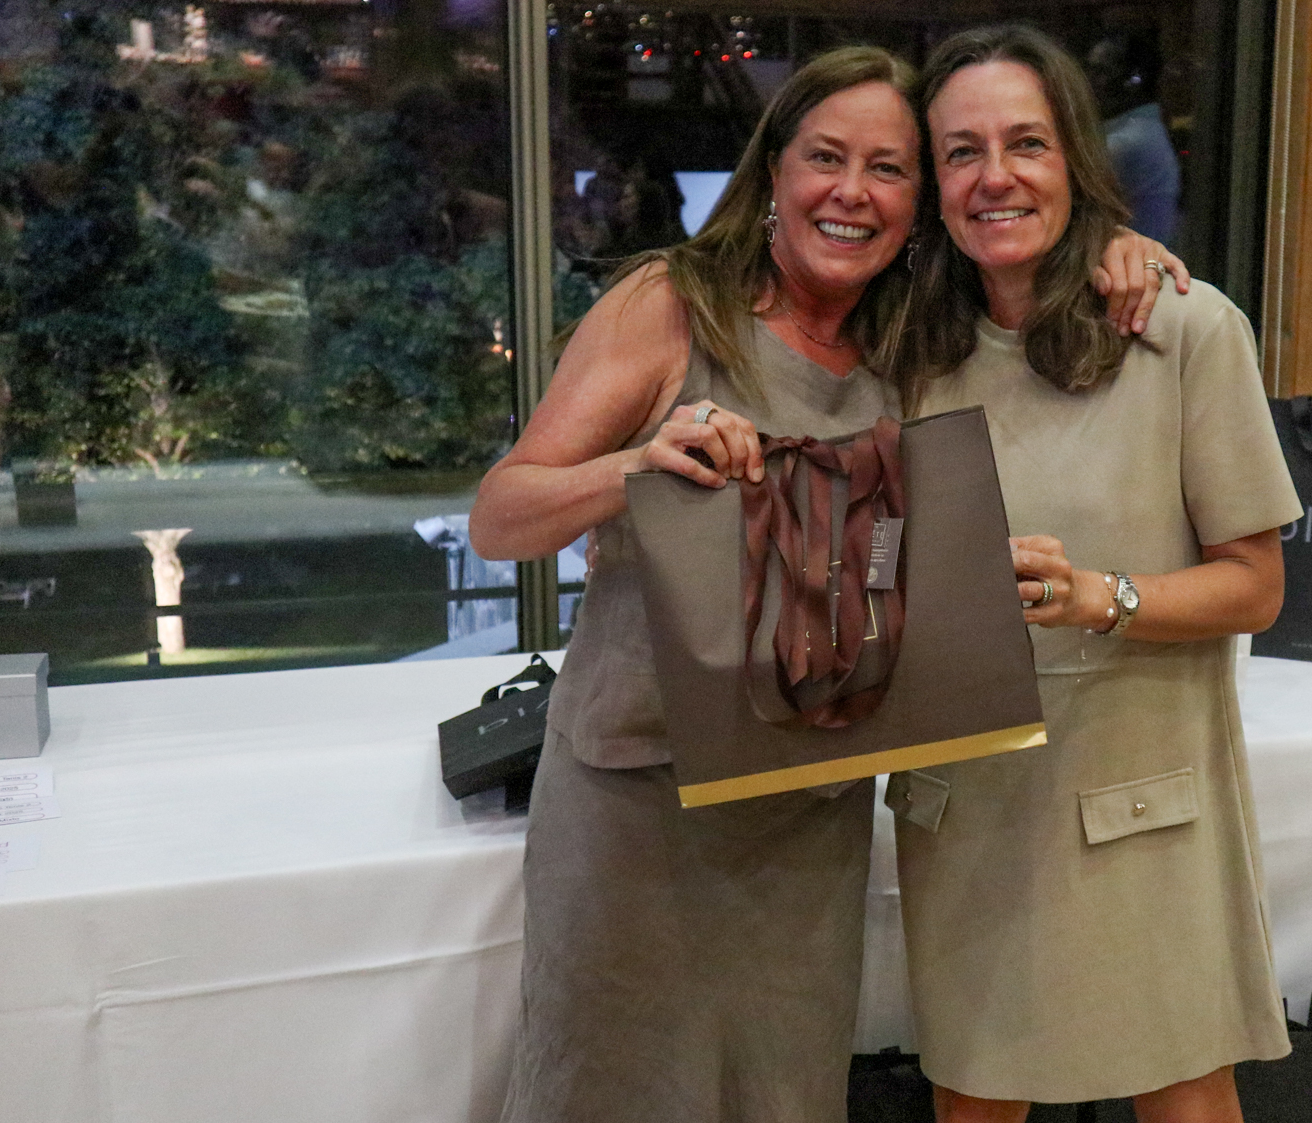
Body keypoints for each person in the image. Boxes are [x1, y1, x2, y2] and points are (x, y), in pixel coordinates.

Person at [466, 44, 1186, 1123]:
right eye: (826, 157)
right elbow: (500, 516)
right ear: (774, 170)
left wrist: (1115, 247)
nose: (852, 192)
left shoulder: (915, 344)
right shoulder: (674, 305)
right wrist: (636, 467)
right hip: (638, 810)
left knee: (785, 1096)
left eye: (888, 168)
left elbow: (1029, 270)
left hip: (807, 815)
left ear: (918, 203)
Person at [889, 25, 1299, 1123]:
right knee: (974, 1096)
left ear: (1075, 154)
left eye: (1026, 143)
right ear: (932, 184)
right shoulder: (902, 348)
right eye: (961, 151)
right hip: (965, 812)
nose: (995, 175)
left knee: (1184, 1090)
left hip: (1143, 806)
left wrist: (1102, 598)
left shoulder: (1181, 330)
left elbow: (1254, 587)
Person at [1086, 31, 1180, 244]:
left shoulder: (1129, 142)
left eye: (1100, 71)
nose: (1089, 81)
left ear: (1133, 80)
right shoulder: (1142, 130)